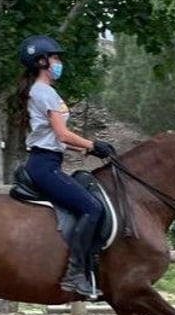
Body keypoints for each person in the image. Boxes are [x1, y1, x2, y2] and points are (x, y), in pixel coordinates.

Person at [17, 34, 116, 299]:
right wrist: (93, 144)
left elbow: (54, 137)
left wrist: (86, 148)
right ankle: (75, 273)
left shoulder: (43, 92)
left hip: (48, 160)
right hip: (44, 166)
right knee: (92, 207)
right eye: (55, 58)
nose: (59, 63)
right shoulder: (44, 92)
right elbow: (62, 134)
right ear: (42, 62)